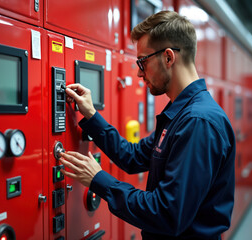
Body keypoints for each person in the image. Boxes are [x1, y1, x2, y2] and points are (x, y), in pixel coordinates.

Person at [59, 10, 235, 240]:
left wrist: (99, 180)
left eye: (142, 61)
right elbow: (132, 157)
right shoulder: (180, 114)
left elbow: (167, 214)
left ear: (169, 57)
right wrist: (91, 115)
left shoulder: (197, 122)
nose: (140, 73)